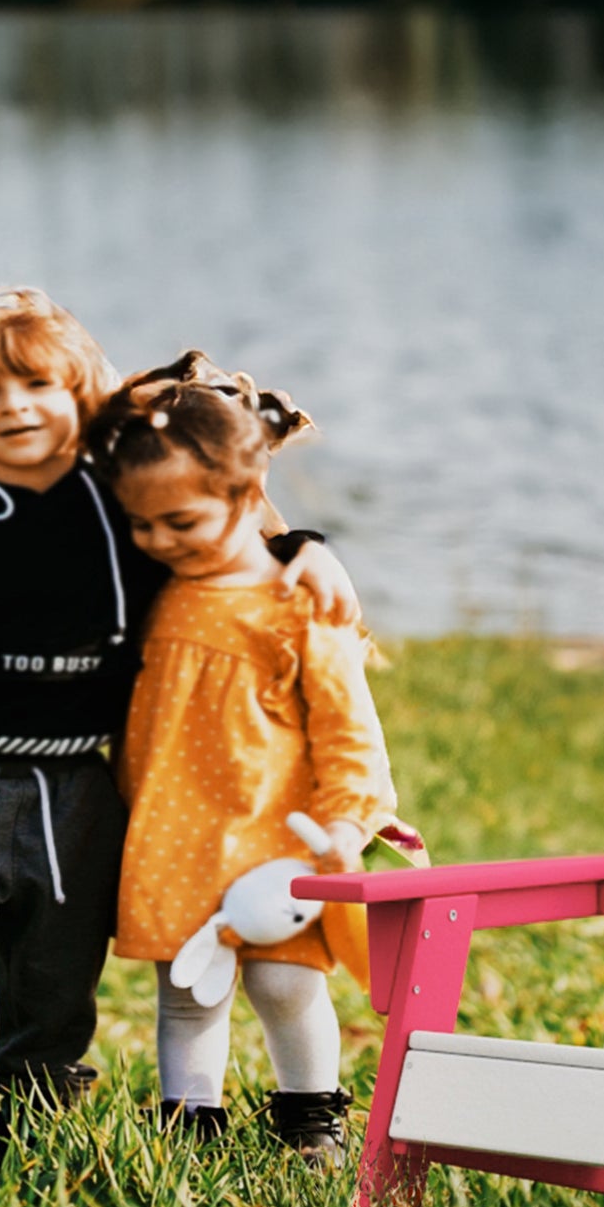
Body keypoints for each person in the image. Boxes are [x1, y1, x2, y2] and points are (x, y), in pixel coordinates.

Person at [0, 291, 359, 1151]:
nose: (13, 406)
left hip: (78, 780)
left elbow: (213, 535)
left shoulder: (121, 513)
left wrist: (301, 544)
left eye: (39, 384)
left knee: (56, 956)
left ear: (84, 395)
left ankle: (42, 1098)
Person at [88, 353, 409, 1165]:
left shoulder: (300, 604)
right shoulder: (153, 591)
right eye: (143, 524)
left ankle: (310, 1115)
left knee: (284, 984)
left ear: (244, 498)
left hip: (277, 841)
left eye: (182, 523)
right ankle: (188, 1129)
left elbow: (347, 729)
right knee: (189, 992)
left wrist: (347, 820)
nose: (160, 540)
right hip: (176, 833)